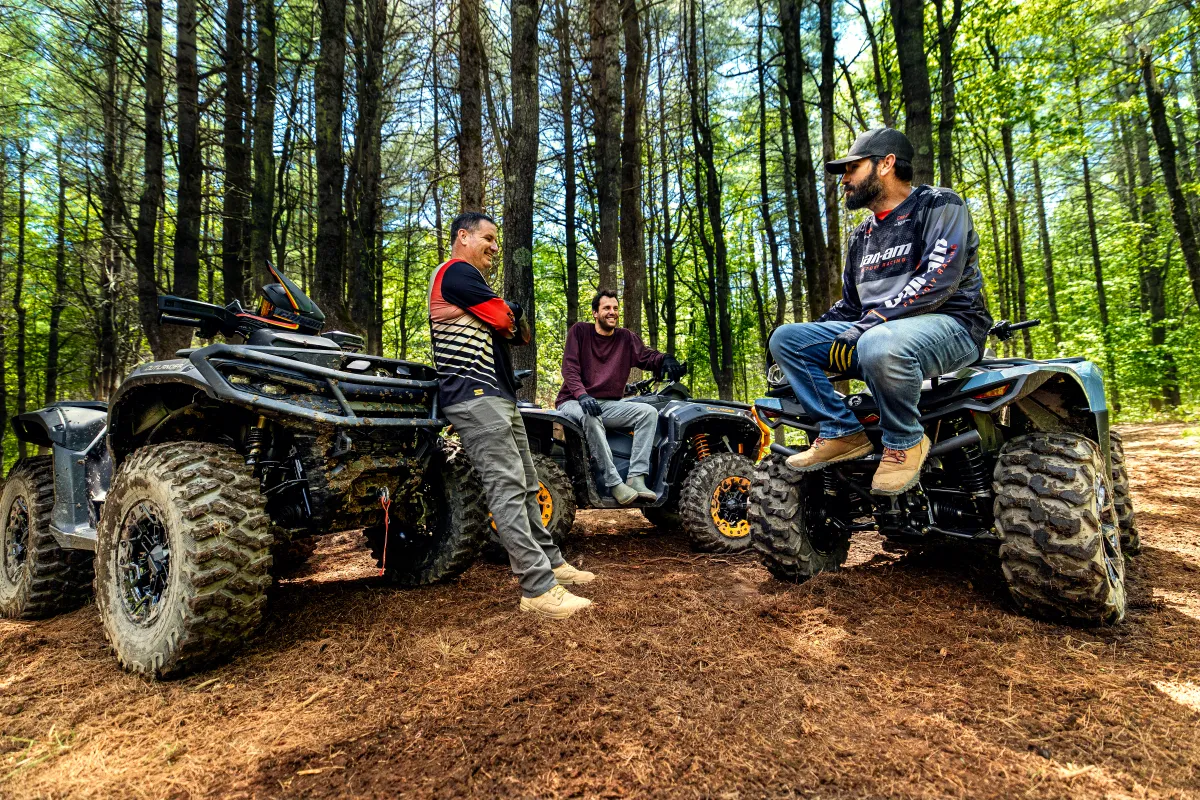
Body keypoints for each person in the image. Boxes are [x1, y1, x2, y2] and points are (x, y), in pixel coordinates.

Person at [768, 128, 992, 494]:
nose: (844, 180)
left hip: (954, 328)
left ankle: (905, 442)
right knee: (788, 339)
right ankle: (842, 431)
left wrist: (871, 323)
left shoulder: (939, 205)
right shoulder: (862, 235)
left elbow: (938, 278)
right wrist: (807, 340)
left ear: (886, 164)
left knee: (878, 342)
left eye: (852, 168)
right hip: (878, 338)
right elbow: (851, 307)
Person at [429, 211, 594, 619]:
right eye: (487, 238)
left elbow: (521, 334)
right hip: (473, 395)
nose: (494, 247)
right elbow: (505, 320)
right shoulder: (456, 272)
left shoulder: (474, 284)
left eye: (497, 242)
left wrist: (506, 317)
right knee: (505, 486)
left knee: (526, 484)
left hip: (499, 394)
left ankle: (553, 564)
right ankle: (537, 589)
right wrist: (503, 314)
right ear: (463, 237)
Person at [555, 290, 686, 505]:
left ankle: (636, 478)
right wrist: (582, 395)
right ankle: (613, 482)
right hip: (572, 401)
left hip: (606, 404)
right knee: (590, 416)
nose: (612, 312)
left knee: (648, 413)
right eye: (607, 308)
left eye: (615, 308)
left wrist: (666, 359)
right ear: (595, 312)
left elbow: (647, 356)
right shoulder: (580, 331)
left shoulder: (626, 338)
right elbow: (569, 369)